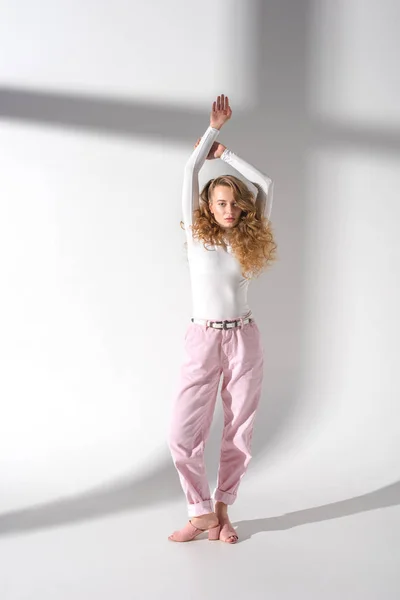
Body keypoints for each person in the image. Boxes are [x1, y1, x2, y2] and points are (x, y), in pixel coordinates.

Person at [168, 94, 277, 543]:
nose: (229, 210)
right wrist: (213, 136)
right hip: (203, 338)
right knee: (181, 432)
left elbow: (267, 185)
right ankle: (199, 512)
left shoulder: (246, 242)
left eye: (235, 203)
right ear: (208, 209)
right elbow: (189, 174)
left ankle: (222, 510)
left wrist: (227, 156)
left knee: (239, 430)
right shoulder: (198, 239)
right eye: (220, 203)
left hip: (244, 340)